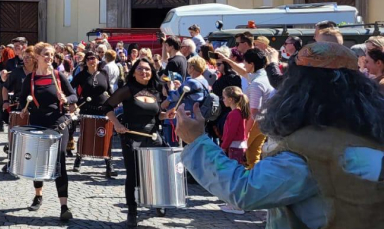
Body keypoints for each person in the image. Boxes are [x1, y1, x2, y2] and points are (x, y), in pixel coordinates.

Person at [176, 42, 384, 229]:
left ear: (298, 89)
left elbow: (246, 191)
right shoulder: (370, 133)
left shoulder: (311, 151)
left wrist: (197, 141)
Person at [106, 57, 174, 228]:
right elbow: (106, 107)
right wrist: (117, 124)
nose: (144, 72)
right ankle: (132, 211)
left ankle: (158, 201)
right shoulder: (128, 89)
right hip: (132, 136)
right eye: (140, 69)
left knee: (157, 171)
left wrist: (167, 115)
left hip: (152, 135)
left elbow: (156, 115)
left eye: (148, 69)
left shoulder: (156, 90)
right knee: (133, 175)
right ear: (134, 72)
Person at [18, 42, 77, 221]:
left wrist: (66, 98)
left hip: (58, 122)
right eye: (46, 54)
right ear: (37, 56)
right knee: (38, 162)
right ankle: (38, 195)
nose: (49, 57)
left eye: (51, 55)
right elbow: (22, 100)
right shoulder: (30, 79)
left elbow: (74, 96)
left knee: (60, 161)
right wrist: (24, 108)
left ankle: (64, 206)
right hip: (37, 122)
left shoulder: (59, 76)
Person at [70, 53, 115, 177]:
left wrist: (116, 100)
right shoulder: (81, 75)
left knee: (105, 135)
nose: (91, 61)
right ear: (85, 61)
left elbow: (109, 90)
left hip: (103, 109)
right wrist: (74, 102)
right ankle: (78, 160)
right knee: (85, 134)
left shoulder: (104, 74)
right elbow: (70, 88)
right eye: (89, 59)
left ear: (98, 60)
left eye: (93, 58)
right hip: (87, 109)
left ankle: (108, 163)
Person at [217, 85, 249, 214]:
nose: (223, 100)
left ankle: (236, 205)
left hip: (234, 147)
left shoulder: (235, 113)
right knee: (235, 176)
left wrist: (224, 146)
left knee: (233, 177)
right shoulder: (239, 112)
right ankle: (234, 203)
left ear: (230, 99)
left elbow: (230, 133)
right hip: (238, 146)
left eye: (224, 97)